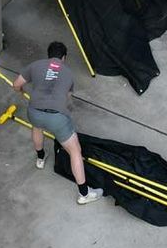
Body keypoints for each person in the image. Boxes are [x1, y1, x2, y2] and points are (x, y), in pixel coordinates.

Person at [12, 42, 104, 204]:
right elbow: (67, 98)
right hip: (57, 117)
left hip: (34, 110)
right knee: (75, 151)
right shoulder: (68, 73)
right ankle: (84, 194)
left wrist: (22, 93)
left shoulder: (35, 65)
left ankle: (40, 158)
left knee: (37, 127)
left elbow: (16, 84)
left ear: (49, 55)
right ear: (64, 57)